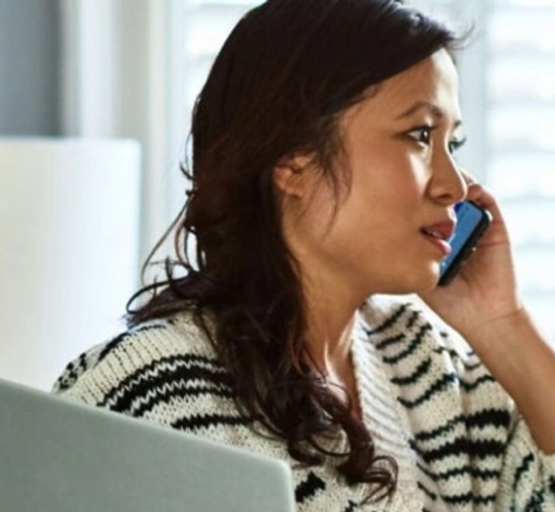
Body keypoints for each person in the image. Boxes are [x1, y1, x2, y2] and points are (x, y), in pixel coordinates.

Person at [50, 1, 555, 510]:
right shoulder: (151, 395)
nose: (455, 185)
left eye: (454, 142)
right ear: (294, 160)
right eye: (420, 135)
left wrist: (503, 324)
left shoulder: (429, 366)